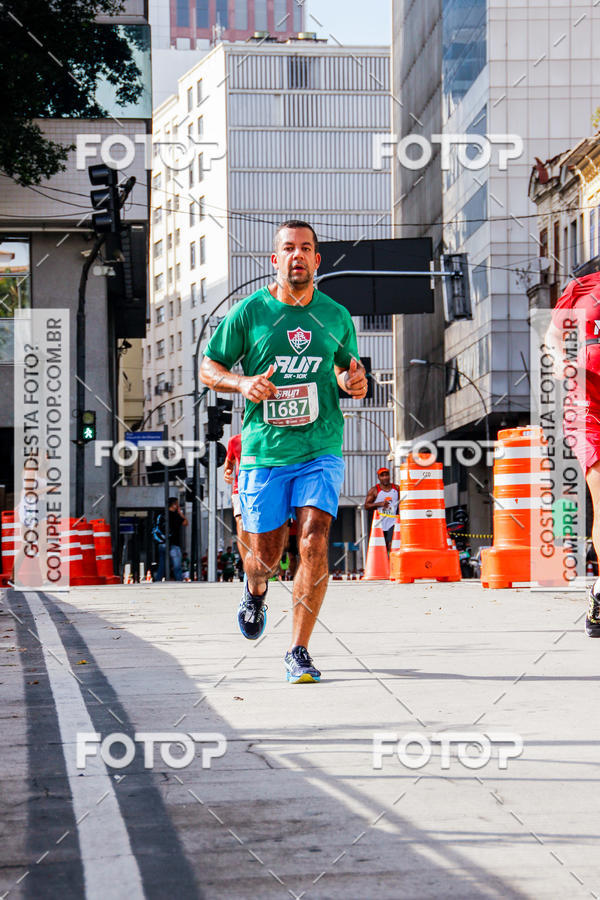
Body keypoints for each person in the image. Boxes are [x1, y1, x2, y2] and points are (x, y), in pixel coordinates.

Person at [199, 219, 367, 683]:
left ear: (317, 259)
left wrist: (353, 382)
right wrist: (241, 383)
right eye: (289, 248)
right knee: (266, 561)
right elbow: (209, 367)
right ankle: (254, 589)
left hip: (320, 446)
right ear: (275, 260)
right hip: (265, 451)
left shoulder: (335, 315)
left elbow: (346, 370)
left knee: (313, 540)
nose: (298, 255)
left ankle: (298, 650)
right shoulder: (250, 313)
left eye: (306, 248)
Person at [546, 271, 600, 637]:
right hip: (588, 409)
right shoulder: (582, 288)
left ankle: (598, 590)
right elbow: (553, 335)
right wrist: (559, 359)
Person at [224, 427, 250, 565]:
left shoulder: (266, 435)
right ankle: (247, 564)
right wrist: (227, 472)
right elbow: (229, 463)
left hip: (262, 488)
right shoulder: (234, 441)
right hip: (239, 489)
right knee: (240, 523)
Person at [364, 467, 400, 553]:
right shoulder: (374, 490)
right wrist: (379, 504)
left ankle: (392, 560)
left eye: (386, 475)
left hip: (393, 523)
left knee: (392, 545)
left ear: (389, 476)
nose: (385, 477)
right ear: (378, 477)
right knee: (381, 548)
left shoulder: (396, 488)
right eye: (382, 476)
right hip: (379, 524)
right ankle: (385, 560)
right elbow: (366, 506)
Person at [153, 497, 188, 581]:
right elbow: (185, 523)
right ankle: (179, 580)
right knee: (177, 566)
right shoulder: (175, 515)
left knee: (162, 565)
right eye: (177, 504)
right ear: (174, 505)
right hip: (173, 543)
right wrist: (180, 513)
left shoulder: (162, 514)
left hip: (161, 543)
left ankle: (158, 580)